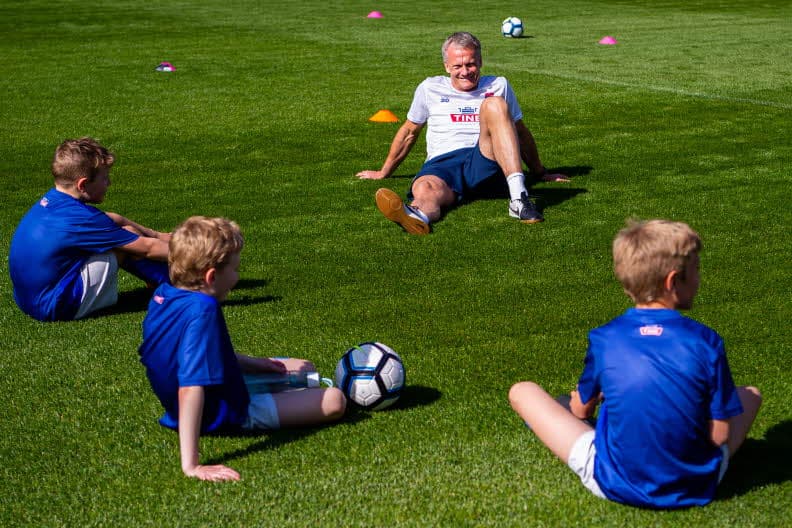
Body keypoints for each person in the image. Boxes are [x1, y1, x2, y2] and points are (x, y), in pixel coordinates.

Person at [508, 219, 762, 509]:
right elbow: (719, 436)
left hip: (614, 481)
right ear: (673, 281)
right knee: (751, 394)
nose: (699, 278)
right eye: (696, 270)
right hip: (696, 486)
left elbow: (580, 410)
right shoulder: (707, 341)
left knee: (522, 391)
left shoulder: (606, 338)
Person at [138, 216, 347, 481]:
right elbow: (190, 387)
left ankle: (271, 382)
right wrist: (191, 465)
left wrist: (254, 364)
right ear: (211, 276)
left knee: (302, 367)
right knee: (334, 400)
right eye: (235, 270)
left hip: (222, 387)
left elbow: (195, 353)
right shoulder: (204, 309)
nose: (237, 276)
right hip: (224, 411)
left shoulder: (164, 294)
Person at [357, 31, 568, 234]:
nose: (465, 71)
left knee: (494, 104)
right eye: (457, 65)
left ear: (481, 61)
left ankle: (518, 199)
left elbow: (519, 133)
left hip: (485, 159)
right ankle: (418, 215)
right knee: (425, 188)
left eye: (471, 64)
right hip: (443, 164)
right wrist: (384, 172)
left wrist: (540, 172)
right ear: (446, 66)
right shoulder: (429, 88)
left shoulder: (498, 85)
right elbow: (410, 132)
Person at [8, 138, 170, 321]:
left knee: (115, 229)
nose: (108, 183)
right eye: (104, 178)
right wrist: (201, 254)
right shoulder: (82, 220)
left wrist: (159, 235)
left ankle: (157, 279)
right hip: (55, 306)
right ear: (83, 184)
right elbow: (148, 248)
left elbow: (111, 219)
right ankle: (181, 285)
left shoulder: (52, 201)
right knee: (128, 241)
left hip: (29, 300)